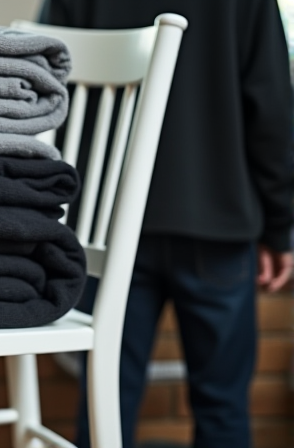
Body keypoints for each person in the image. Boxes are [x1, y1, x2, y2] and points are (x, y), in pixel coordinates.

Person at [37, 0, 294, 447]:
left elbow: (46, 88)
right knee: (224, 406)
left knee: (104, 402)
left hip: (107, 227)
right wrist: (279, 229)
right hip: (220, 220)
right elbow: (271, 111)